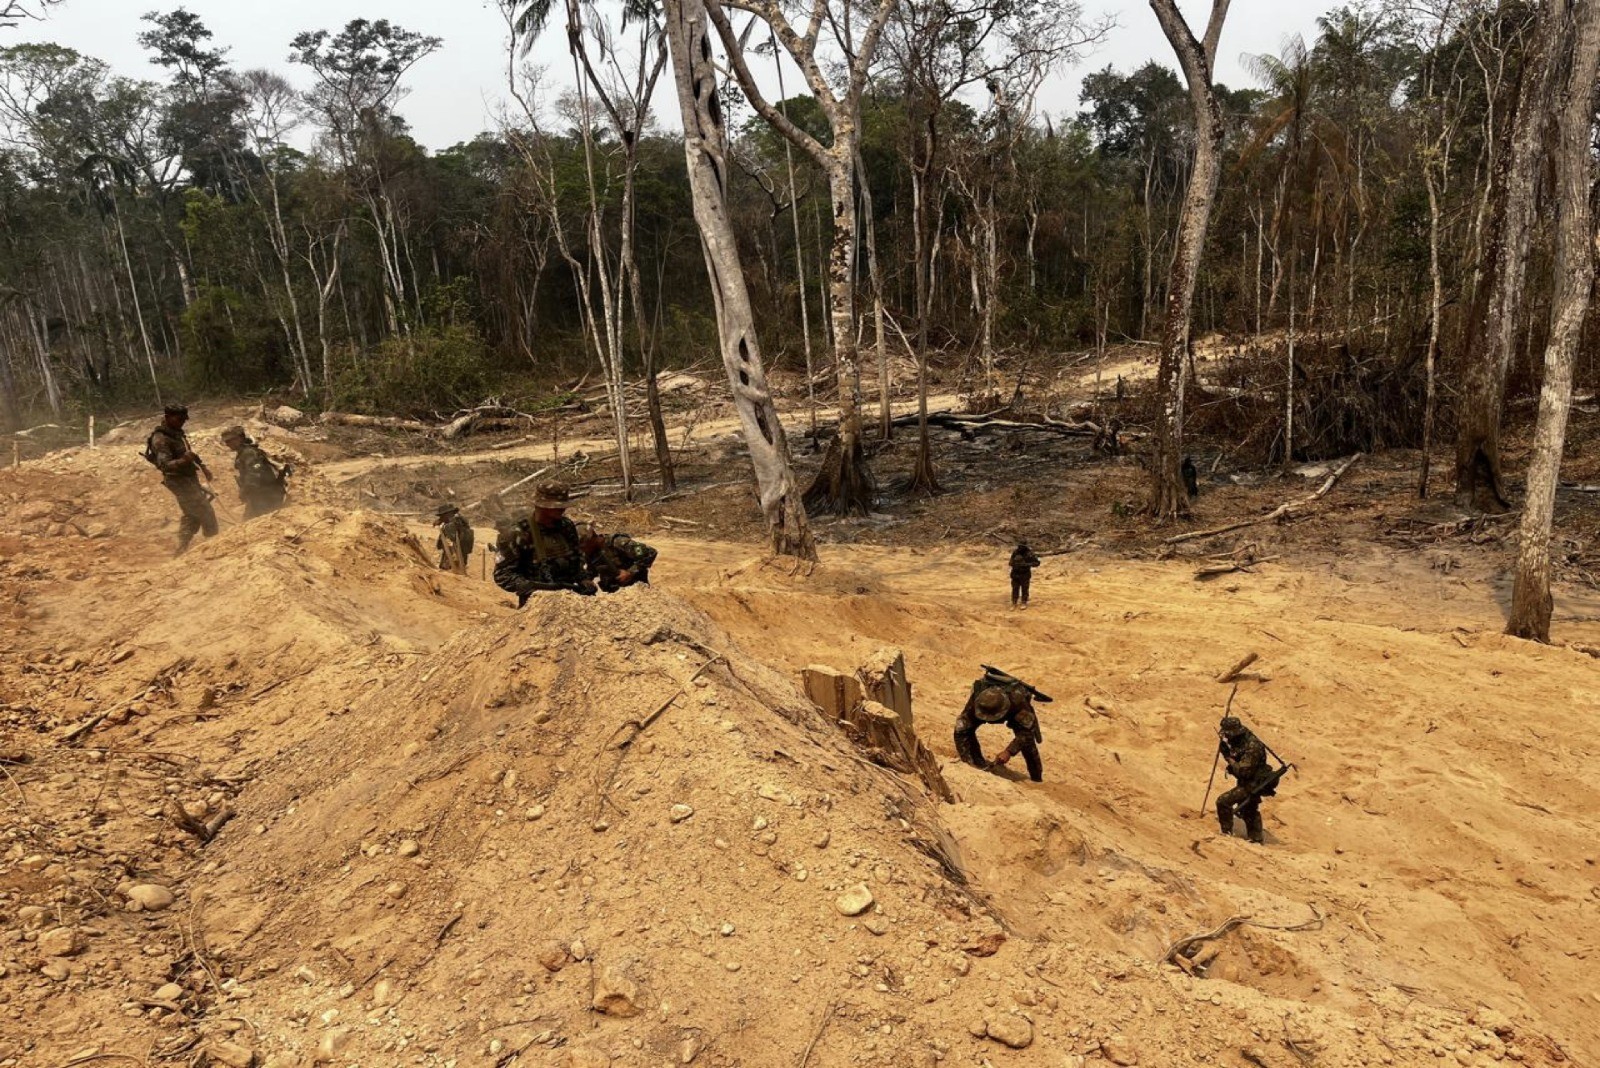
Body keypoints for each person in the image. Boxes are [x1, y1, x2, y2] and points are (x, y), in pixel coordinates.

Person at [144, 404, 217, 555]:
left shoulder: (177, 434)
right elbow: (165, 465)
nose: (182, 422)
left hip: (188, 478)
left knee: (192, 514)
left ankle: (181, 549)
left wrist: (202, 467)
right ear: (167, 417)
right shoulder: (160, 439)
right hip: (178, 481)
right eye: (179, 419)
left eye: (184, 419)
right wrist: (183, 461)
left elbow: (189, 454)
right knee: (205, 511)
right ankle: (215, 544)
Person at [953, 674, 1043, 783]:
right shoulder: (978, 698)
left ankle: (1036, 778)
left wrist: (1009, 751)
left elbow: (1025, 734)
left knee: (1028, 744)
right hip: (984, 709)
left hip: (1012, 711)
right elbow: (960, 730)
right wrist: (967, 761)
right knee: (966, 729)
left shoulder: (1018, 701)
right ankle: (975, 762)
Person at [1215, 715, 1276, 845]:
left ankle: (1226, 833)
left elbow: (1243, 771)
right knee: (1248, 808)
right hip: (1248, 780)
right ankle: (1256, 838)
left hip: (1253, 782)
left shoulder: (1252, 746)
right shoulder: (1241, 738)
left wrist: (1229, 758)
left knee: (1223, 802)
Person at [220, 426, 288, 518]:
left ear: (240, 438)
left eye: (230, 441)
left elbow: (254, 475)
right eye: (226, 442)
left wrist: (245, 490)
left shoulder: (249, 452)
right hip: (259, 495)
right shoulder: (244, 452)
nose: (228, 444)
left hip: (267, 495)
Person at [579, 524, 658, 592]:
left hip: (635, 589)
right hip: (613, 593)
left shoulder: (618, 542)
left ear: (591, 539)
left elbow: (650, 553)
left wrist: (630, 572)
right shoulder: (591, 552)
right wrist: (587, 580)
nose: (582, 550)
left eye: (583, 546)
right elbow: (591, 570)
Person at [435, 504, 475, 573]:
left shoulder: (450, 526)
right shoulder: (460, 522)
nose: (441, 518)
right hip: (461, 558)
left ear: (447, 514)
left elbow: (450, 544)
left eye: (442, 516)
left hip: (452, 560)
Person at [1009, 542, 1040, 608]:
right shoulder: (1015, 552)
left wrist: (1026, 564)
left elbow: (1037, 563)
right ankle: (1014, 602)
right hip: (1015, 573)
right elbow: (1010, 562)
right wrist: (1014, 563)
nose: (1020, 547)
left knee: (1025, 589)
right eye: (1019, 546)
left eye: (1022, 546)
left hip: (1025, 574)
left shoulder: (1029, 553)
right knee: (1015, 589)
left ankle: (1024, 602)